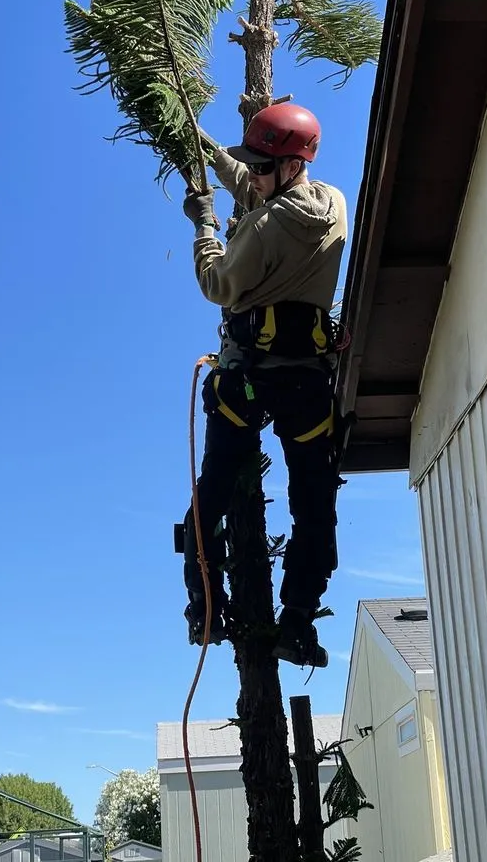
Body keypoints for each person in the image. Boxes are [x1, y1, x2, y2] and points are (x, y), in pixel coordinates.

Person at [176, 103, 347, 668]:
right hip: (307, 387)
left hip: (248, 380)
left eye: (261, 166)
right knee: (315, 506)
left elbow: (218, 282)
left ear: (292, 164)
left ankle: (205, 605)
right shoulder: (329, 203)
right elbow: (255, 190)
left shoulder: (268, 226)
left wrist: (204, 225)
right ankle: (297, 621)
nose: (251, 174)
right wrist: (206, 147)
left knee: (215, 489)